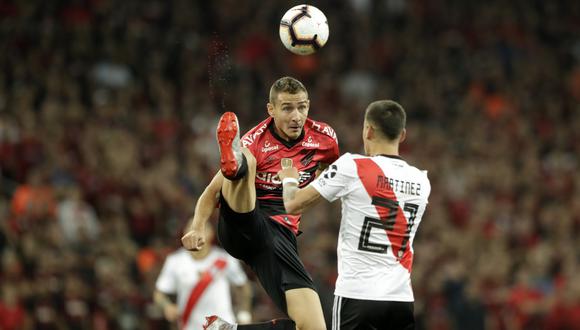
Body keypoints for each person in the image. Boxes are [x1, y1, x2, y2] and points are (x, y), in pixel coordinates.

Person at [181, 76, 339, 330]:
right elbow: (212, 192)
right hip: (243, 224)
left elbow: (330, 171)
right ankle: (234, 165)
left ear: (309, 105)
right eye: (287, 108)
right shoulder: (255, 141)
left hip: (279, 238)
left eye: (301, 107)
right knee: (246, 161)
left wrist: (308, 193)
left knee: (313, 327)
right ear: (271, 110)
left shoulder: (324, 139)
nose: (296, 115)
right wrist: (198, 226)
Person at [278, 100, 431, 330]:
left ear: (368, 130)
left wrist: (289, 177)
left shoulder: (353, 166)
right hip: (401, 300)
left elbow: (292, 204)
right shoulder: (422, 180)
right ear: (403, 135)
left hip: (357, 296)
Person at [154, 224, 252, 330]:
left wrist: (244, 312)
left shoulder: (225, 259)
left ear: (211, 234)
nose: (195, 232)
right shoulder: (175, 261)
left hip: (222, 325)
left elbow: (243, 286)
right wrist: (167, 306)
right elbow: (159, 293)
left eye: (201, 228)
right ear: (184, 234)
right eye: (191, 228)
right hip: (189, 326)